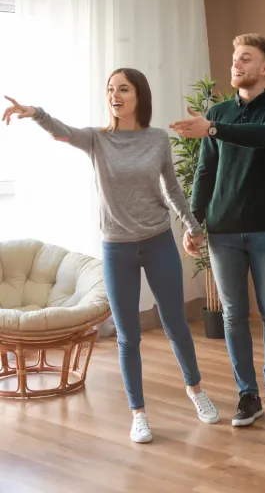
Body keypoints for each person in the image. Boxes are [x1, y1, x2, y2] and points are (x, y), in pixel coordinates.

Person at [2, 68, 219, 443]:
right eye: (110, 89)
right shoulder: (97, 140)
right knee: (127, 335)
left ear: (139, 96)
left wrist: (192, 226)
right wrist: (34, 112)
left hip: (158, 240)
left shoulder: (156, 140)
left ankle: (196, 391)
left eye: (123, 89)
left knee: (175, 326)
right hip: (116, 247)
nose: (114, 95)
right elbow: (62, 129)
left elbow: (172, 190)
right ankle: (138, 413)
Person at [170, 34, 265, 427]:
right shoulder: (219, 113)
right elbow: (206, 173)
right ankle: (248, 393)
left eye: (246, 58)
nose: (236, 64)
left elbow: (263, 137)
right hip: (223, 232)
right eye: (234, 58)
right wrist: (194, 223)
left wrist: (212, 128)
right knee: (232, 315)